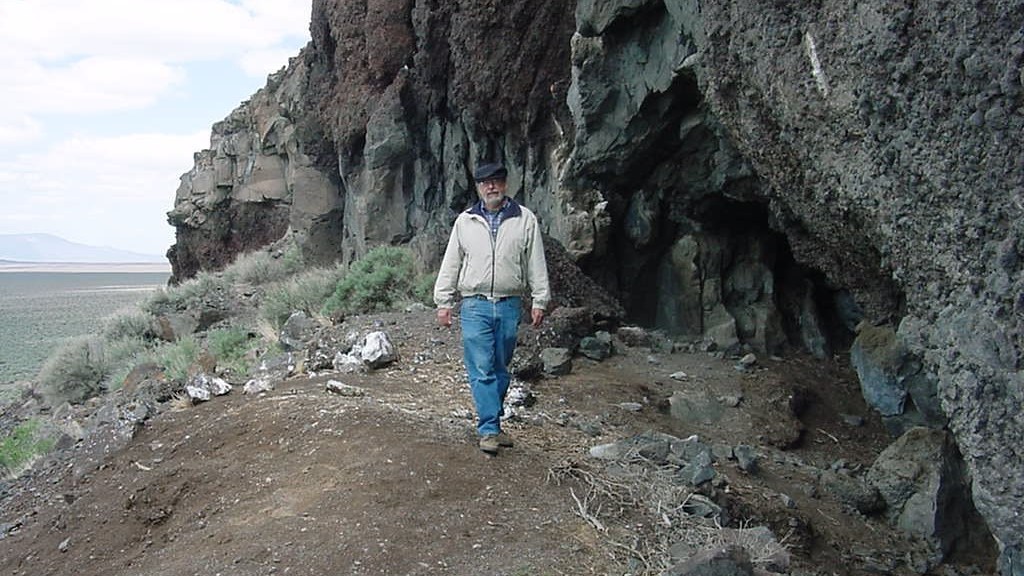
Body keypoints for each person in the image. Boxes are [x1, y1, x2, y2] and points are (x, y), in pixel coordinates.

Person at [433, 161, 551, 455]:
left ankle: (494, 425)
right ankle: (487, 429)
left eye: (496, 181)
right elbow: (451, 263)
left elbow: (536, 261)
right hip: (474, 305)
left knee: (501, 368)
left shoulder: (525, 219)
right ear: (478, 188)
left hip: (510, 304)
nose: (491, 187)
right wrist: (443, 301)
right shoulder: (465, 221)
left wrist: (540, 300)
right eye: (485, 183)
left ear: (505, 184)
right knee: (482, 368)